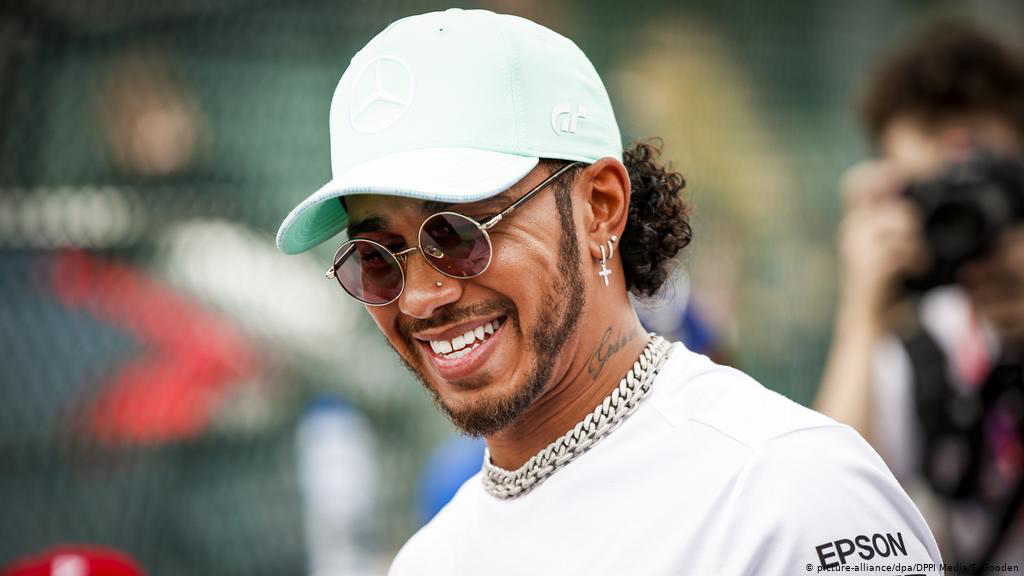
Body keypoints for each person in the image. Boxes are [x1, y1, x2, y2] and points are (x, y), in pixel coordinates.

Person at [278, 9, 941, 575]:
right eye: (376, 258)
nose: (421, 298)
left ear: (601, 206)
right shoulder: (429, 561)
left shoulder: (790, 493)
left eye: (457, 232)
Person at [815, 20, 1024, 571]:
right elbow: (827, 521)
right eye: (934, 194)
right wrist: (862, 313)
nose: (964, 217)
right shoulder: (910, 339)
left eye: (987, 182)